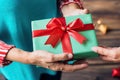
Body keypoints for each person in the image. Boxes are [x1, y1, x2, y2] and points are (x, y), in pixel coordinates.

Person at [0, 0, 89, 80]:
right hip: (17, 60)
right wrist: (27, 57)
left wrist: (71, 8)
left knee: (52, 75)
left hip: (55, 46)